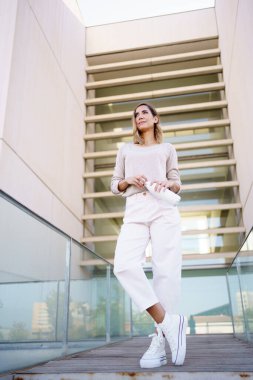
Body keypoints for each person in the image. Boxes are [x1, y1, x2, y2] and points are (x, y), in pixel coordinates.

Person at [111, 103, 187, 368]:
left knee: (165, 273)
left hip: (163, 206)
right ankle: (169, 323)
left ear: (155, 118)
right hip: (135, 209)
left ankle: (160, 342)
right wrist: (128, 180)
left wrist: (169, 183)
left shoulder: (167, 149)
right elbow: (114, 184)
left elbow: (177, 180)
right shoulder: (126, 149)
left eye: (144, 112)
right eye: (135, 114)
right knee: (123, 265)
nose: (139, 116)